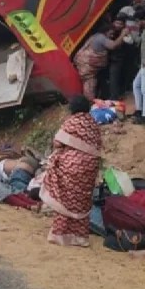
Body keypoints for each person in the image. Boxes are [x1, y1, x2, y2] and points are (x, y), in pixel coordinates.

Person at [40, 96, 102, 247]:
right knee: (81, 201)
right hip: (90, 170)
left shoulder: (72, 121)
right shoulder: (93, 123)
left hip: (71, 168)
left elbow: (57, 142)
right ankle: (80, 239)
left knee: (65, 199)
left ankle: (60, 235)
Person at [73, 24, 129, 101]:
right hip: (87, 67)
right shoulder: (100, 38)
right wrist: (123, 35)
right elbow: (113, 45)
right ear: (105, 32)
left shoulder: (95, 36)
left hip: (89, 67)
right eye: (111, 34)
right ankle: (89, 103)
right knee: (90, 85)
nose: (112, 36)